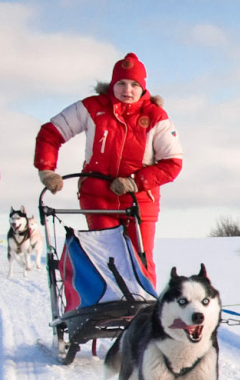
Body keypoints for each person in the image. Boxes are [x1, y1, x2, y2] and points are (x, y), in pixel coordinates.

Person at [33, 53, 183, 283]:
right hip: (97, 197)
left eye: (134, 85)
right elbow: (50, 133)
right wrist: (47, 169)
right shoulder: (92, 108)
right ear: (112, 84)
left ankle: (143, 314)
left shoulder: (156, 117)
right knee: (106, 260)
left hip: (140, 199)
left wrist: (135, 182)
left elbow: (172, 163)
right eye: (121, 83)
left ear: (143, 88)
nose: (127, 90)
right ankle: (107, 313)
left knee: (140, 261)